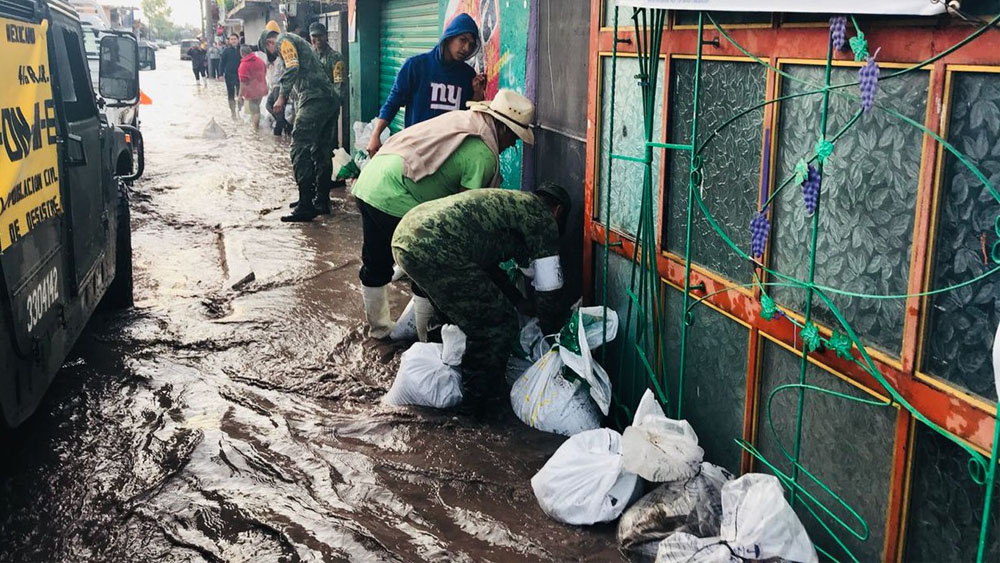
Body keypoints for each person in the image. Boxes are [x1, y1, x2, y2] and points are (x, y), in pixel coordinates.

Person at [351, 89, 534, 340]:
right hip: (395, 193)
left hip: (371, 181)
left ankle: (380, 333)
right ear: (502, 128)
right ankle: (426, 344)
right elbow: (465, 220)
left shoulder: (464, 121)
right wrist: (510, 292)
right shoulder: (483, 155)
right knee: (429, 269)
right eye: (514, 136)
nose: (513, 144)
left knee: (376, 262)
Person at [391, 185, 571, 409]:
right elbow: (549, 290)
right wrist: (554, 335)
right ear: (558, 211)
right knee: (497, 325)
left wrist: (517, 299)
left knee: (456, 315)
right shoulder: (543, 218)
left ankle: (443, 383)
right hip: (437, 245)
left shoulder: (511, 204)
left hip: (406, 235)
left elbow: (486, 267)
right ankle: (476, 406)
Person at [365, 13, 487, 156]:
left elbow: (470, 118)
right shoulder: (415, 66)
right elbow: (393, 102)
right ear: (449, 37)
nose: (466, 48)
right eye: (462, 40)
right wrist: (375, 134)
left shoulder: (467, 75)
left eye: (471, 44)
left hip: (450, 153)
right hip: (416, 150)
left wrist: (477, 92)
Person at [259, 20, 337, 221]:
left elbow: (292, 67)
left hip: (314, 98)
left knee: (298, 146)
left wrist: (282, 97)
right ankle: (319, 200)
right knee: (320, 149)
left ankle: (306, 204)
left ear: (269, 43)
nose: (275, 55)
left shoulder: (283, 41)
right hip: (327, 99)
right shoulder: (294, 41)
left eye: (271, 52)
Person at [309, 22, 346, 194]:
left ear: (326, 36)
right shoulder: (311, 56)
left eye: (319, 36)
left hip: (329, 107)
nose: (317, 39)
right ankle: (321, 183)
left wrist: (334, 105)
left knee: (328, 145)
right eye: (314, 36)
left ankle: (328, 183)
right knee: (315, 146)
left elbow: (339, 84)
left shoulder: (335, 57)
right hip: (314, 107)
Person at [238, 44, 268, 129]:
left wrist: (240, 94)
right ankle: (255, 125)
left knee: (254, 110)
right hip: (261, 89)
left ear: (242, 54)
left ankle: (255, 129)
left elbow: (243, 81)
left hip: (251, 91)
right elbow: (264, 72)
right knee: (256, 107)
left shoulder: (244, 64)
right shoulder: (260, 61)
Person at [219, 33, 242, 119]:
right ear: (229, 41)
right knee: (231, 94)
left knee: (240, 93)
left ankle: (240, 111)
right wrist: (220, 74)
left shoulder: (242, 49)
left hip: (240, 75)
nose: (233, 41)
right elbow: (222, 63)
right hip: (229, 75)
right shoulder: (226, 51)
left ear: (238, 40)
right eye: (231, 39)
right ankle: (233, 112)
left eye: (234, 39)